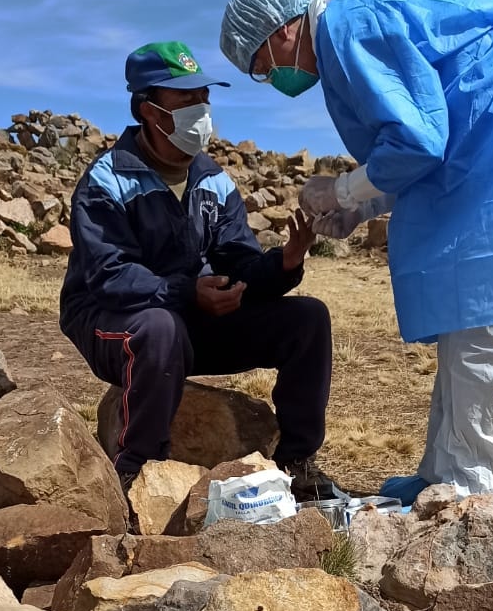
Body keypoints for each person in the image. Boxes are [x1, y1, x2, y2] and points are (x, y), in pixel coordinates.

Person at [219, 0, 493, 502]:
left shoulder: (345, 25)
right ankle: (442, 477)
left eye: (261, 65)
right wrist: (358, 210)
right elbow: (422, 142)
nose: (270, 79)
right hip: (486, 136)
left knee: (489, 314)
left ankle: (474, 498)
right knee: (468, 319)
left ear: (283, 28)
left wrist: (341, 190)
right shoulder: (354, 19)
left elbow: (418, 142)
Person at [59, 40, 340, 504]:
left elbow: (239, 262)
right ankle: (137, 476)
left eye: (204, 97)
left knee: (308, 319)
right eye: (185, 100)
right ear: (149, 110)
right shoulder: (107, 181)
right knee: (158, 327)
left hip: (188, 317)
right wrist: (187, 293)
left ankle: (297, 464)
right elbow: (109, 276)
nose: (201, 110)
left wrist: (284, 262)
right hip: (112, 321)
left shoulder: (214, 180)